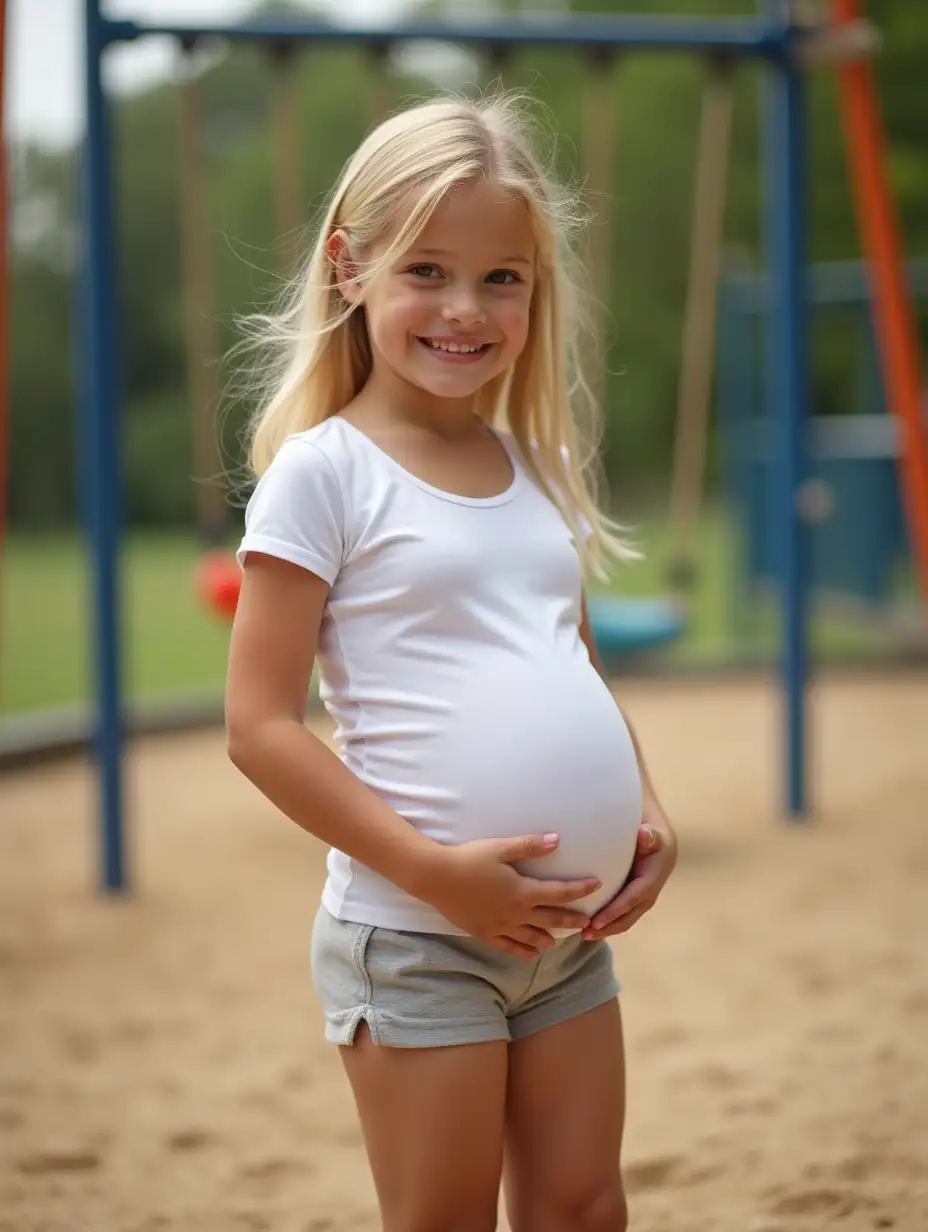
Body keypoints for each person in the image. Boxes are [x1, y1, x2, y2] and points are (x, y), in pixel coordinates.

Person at [225, 91, 678, 1232]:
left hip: (566, 935)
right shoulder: (323, 475)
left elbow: (566, 655)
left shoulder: (536, 460)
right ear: (349, 268)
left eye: (502, 277)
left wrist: (647, 810)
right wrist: (436, 874)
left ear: (537, 289)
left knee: (585, 1207)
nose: (465, 308)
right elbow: (260, 725)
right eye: (426, 269)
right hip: (417, 935)